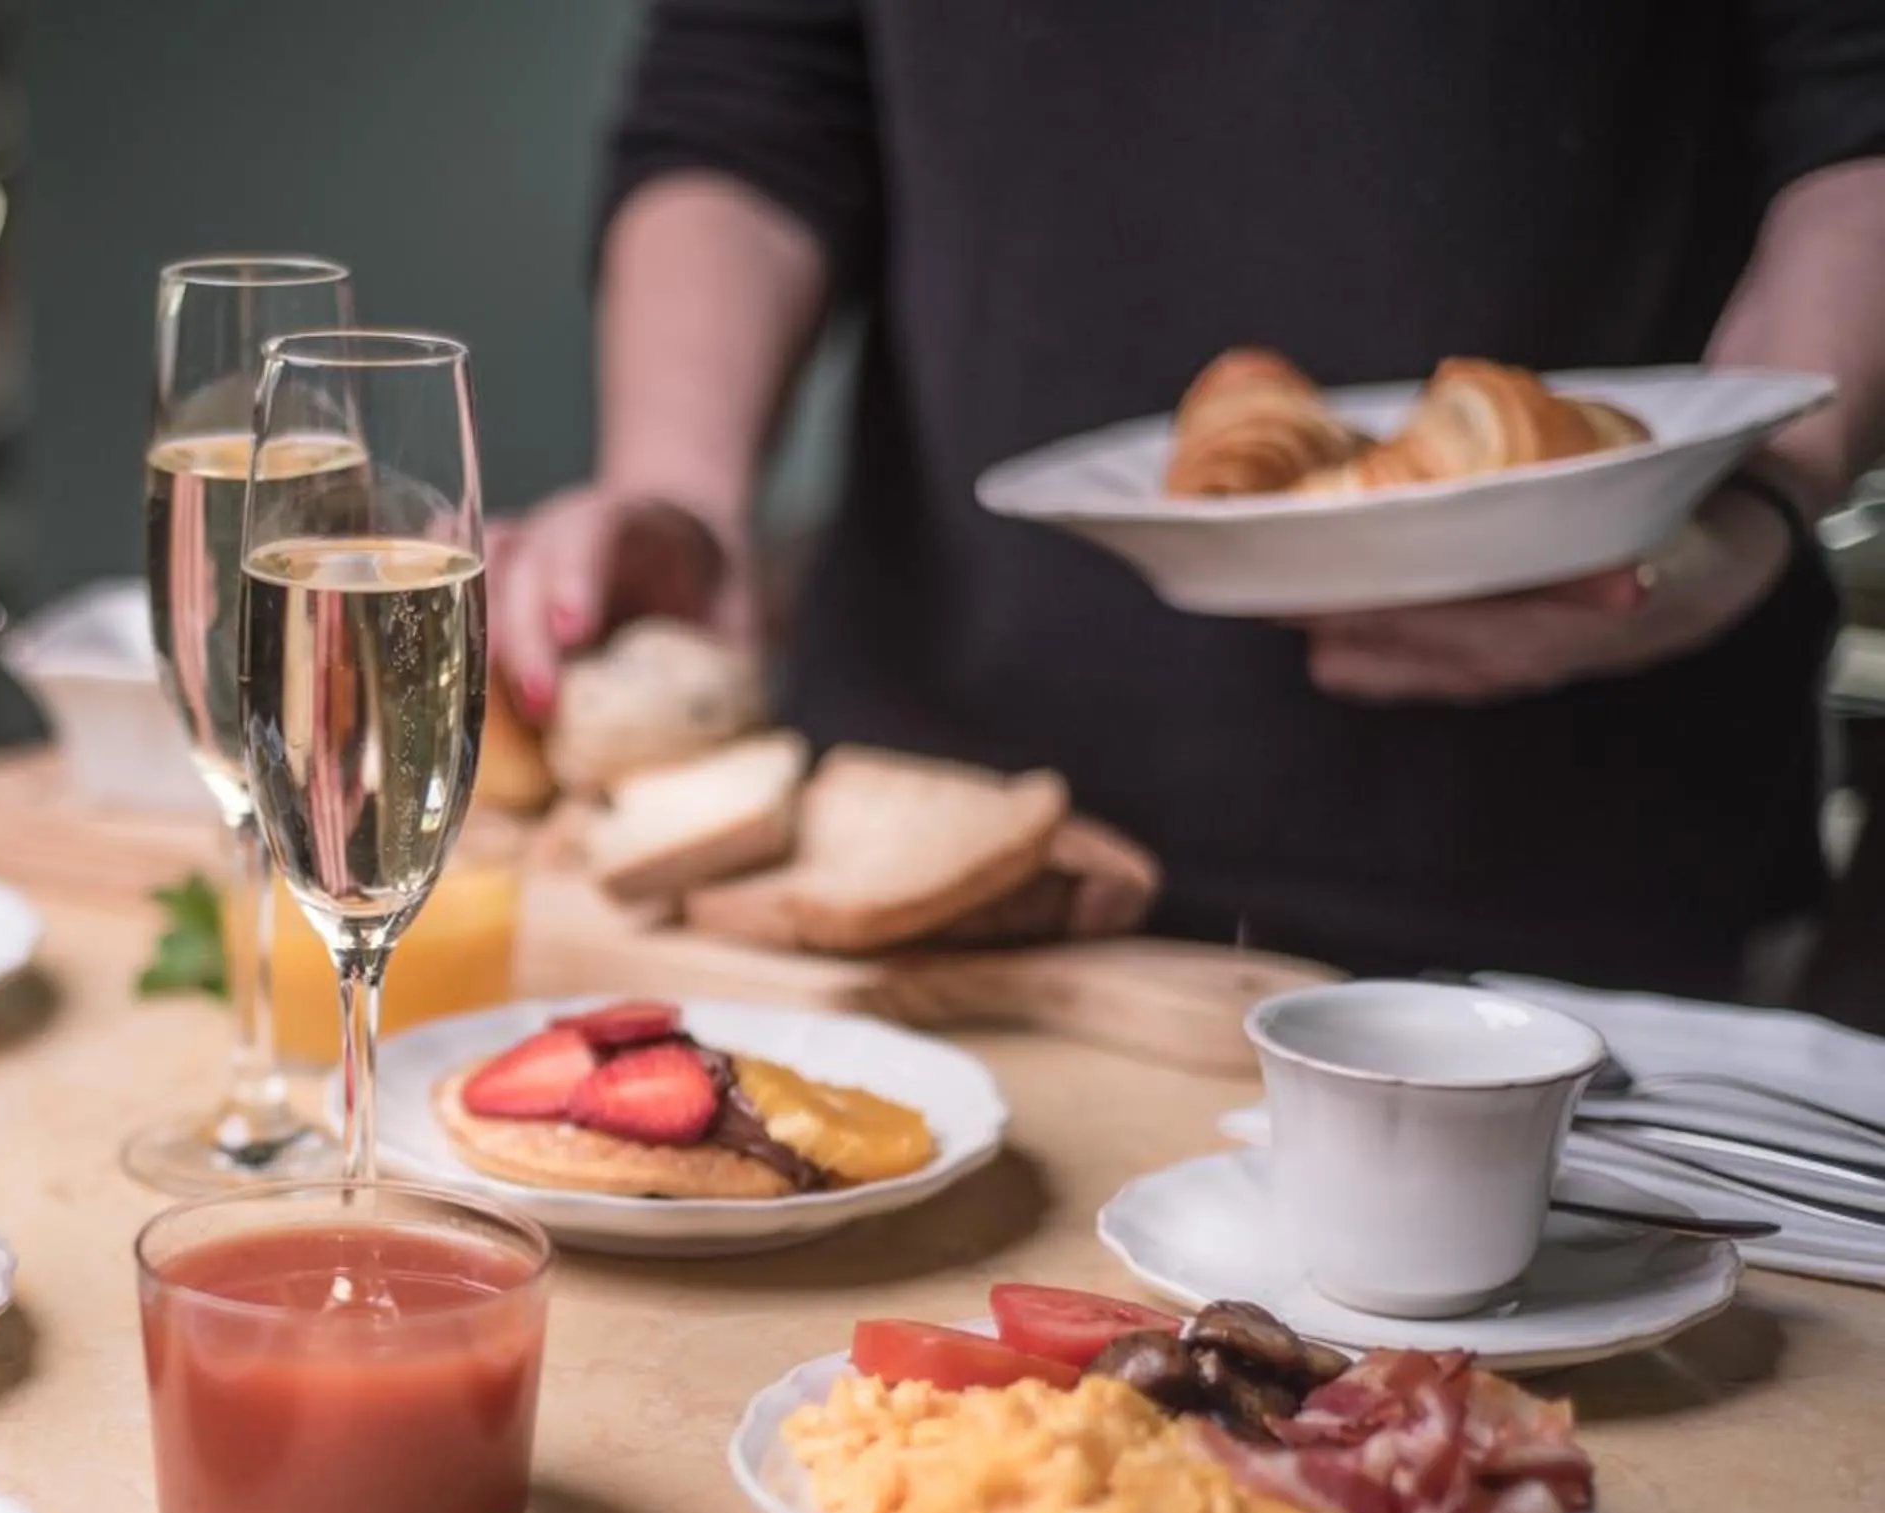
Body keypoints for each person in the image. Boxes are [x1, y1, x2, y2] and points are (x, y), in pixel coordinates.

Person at [495, 1, 1885, 993]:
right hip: (928, 895)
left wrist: (1763, 484)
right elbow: (752, 86)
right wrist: (681, 489)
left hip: (1594, 900)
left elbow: (1860, 104)